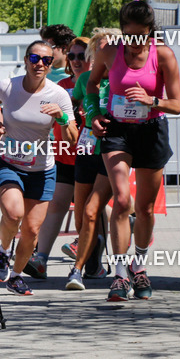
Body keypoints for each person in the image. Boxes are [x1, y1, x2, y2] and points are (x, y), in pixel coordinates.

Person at [87, 0, 180, 301]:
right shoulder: (109, 52)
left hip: (151, 130)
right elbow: (90, 86)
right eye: (130, 35)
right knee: (122, 199)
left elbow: (177, 105)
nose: (136, 42)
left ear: (150, 32)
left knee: (145, 208)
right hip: (117, 131)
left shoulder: (163, 55)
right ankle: (119, 275)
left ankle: (139, 266)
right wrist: (94, 116)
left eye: (142, 35)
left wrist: (151, 100)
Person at [0, 41, 75, 296]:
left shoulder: (58, 95)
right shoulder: (7, 86)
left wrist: (63, 118)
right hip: (9, 162)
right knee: (14, 215)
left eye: (46, 60)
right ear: (26, 60)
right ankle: (3, 251)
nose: (40, 64)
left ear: (51, 65)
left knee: (32, 230)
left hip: (42, 168)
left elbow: (71, 138)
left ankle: (15, 276)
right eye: (35, 58)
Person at [23, 35, 85, 279]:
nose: (76, 60)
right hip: (64, 156)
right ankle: (41, 260)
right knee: (58, 205)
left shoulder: (102, 85)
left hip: (93, 157)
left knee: (90, 211)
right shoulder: (61, 87)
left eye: (82, 56)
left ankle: (87, 262)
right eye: (72, 56)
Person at [66, 28, 122, 290]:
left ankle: (76, 271)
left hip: (111, 152)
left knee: (91, 211)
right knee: (81, 218)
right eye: (98, 50)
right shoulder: (85, 78)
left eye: (108, 49)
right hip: (86, 150)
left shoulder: (123, 78)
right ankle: (94, 260)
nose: (104, 55)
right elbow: (69, 102)